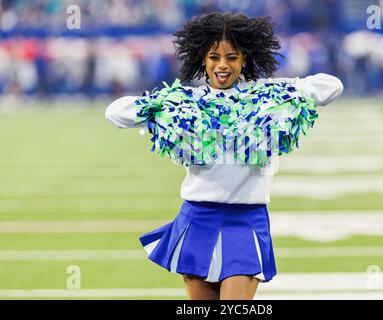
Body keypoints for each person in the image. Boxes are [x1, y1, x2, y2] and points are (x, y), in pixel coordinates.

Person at [105, 12, 343, 300]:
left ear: (246, 60)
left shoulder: (266, 100)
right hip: (197, 218)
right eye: (214, 57)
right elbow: (115, 113)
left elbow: (332, 86)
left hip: (245, 220)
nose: (222, 65)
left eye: (232, 57)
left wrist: (285, 87)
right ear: (201, 60)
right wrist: (159, 103)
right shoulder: (185, 103)